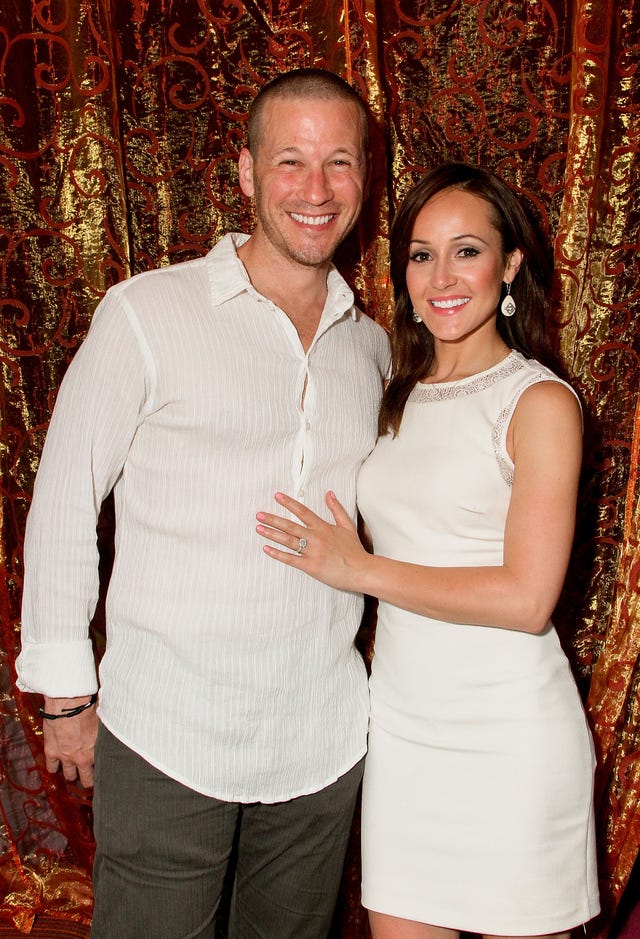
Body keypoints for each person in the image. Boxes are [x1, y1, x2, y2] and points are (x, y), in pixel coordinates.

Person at [16, 68, 390, 939]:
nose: (316, 188)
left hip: (321, 740)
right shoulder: (147, 313)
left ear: (365, 179)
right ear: (247, 172)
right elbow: (65, 498)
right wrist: (65, 696)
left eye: (339, 162)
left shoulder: (372, 347)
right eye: (291, 160)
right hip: (169, 731)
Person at [255, 162, 600, 939]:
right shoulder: (393, 391)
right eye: (421, 254)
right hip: (404, 731)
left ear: (510, 266)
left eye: (466, 251)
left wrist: (359, 569)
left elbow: (527, 599)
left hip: (511, 735)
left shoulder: (539, 401)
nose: (441, 277)